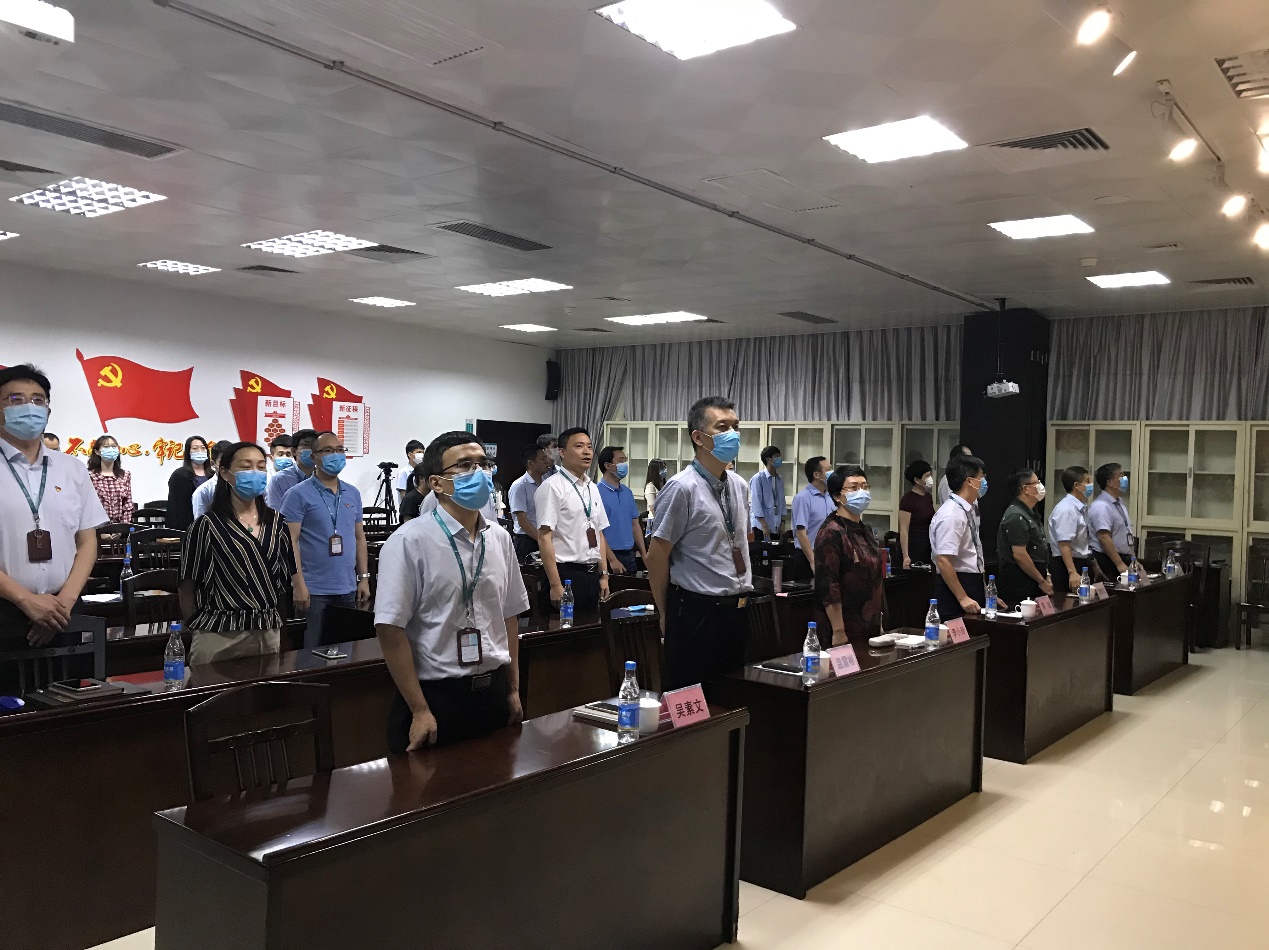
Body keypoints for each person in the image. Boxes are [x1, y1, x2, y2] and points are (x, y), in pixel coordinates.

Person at [374, 430, 527, 752]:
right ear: (436, 483)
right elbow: (390, 629)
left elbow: (509, 616)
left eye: (483, 464)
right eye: (464, 465)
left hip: (493, 691)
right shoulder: (409, 541)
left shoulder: (499, 538)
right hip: (435, 696)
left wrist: (513, 689)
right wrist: (419, 709)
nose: (479, 473)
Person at [646, 395, 752, 691]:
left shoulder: (739, 485)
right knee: (690, 699)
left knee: (731, 697)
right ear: (698, 437)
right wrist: (665, 613)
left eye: (736, 427)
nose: (733, 434)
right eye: (722, 427)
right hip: (696, 610)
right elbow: (656, 556)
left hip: (737, 608)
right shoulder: (681, 488)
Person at [0, 364, 106, 647]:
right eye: (16, 399)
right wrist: (26, 601)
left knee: (70, 677)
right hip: (5, 610)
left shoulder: (72, 468)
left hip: (65, 612)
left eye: (38, 400)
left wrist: (63, 604)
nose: (29, 407)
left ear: (48, 410)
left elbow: (87, 542)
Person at [178, 442, 296, 665]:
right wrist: (195, 624)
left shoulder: (277, 522)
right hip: (218, 632)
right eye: (246, 467)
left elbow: (283, 580)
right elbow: (187, 584)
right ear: (225, 473)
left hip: (267, 629)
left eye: (260, 467)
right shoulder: (206, 525)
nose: (255, 473)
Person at [280, 431, 370, 650]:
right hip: (313, 591)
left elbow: (359, 537)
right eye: (328, 450)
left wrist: (364, 578)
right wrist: (298, 585)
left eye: (339, 450)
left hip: (347, 588)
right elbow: (290, 542)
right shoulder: (297, 494)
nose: (335, 455)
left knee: (345, 651)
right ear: (314, 457)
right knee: (312, 654)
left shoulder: (352, 493)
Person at [535, 427, 611, 613]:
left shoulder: (592, 487)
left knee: (592, 628)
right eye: (579, 446)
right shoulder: (552, 487)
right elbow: (544, 537)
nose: (587, 452)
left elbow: (599, 533)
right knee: (563, 629)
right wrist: (555, 584)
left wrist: (604, 575)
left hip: (592, 575)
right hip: (565, 574)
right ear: (562, 452)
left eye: (589, 447)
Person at [814, 465, 885, 647]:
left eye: (865, 486)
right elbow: (829, 585)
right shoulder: (831, 532)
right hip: (843, 626)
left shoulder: (865, 530)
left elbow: (875, 577)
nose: (862, 492)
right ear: (837, 496)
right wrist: (838, 631)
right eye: (854, 487)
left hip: (868, 622)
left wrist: (879, 621)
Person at [931, 454, 1001, 620]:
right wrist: (962, 597)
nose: (984, 482)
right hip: (956, 589)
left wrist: (986, 594)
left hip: (971, 583)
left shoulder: (966, 510)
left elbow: (973, 555)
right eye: (981, 477)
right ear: (970, 481)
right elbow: (943, 560)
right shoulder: (951, 514)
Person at [996, 469, 1053, 606]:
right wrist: (1041, 581)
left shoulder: (1030, 512)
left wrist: (1046, 574)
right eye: (1037, 483)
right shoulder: (1016, 515)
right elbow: (1020, 554)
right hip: (1020, 580)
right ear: (1026, 489)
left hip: (1034, 575)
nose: (1041, 486)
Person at [597, 445, 647, 575]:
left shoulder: (627, 492)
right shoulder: (596, 492)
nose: (624, 464)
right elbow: (597, 530)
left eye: (625, 460)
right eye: (621, 461)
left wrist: (644, 554)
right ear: (608, 465)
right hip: (608, 556)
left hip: (630, 554)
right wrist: (612, 559)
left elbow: (635, 525)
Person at [1049, 466, 1097, 595]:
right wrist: (1072, 572)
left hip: (1081, 562)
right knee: (1070, 603)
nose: (1090, 485)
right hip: (1068, 566)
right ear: (1077, 485)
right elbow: (1064, 544)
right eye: (1087, 481)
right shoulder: (1067, 509)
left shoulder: (1080, 507)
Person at [1088, 462, 1134, 580]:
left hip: (1123, 558)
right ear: (1109, 482)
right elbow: (1104, 537)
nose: (1125, 479)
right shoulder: (1101, 506)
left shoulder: (1119, 503)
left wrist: (1133, 560)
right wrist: (1119, 563)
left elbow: (1125, 534)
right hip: (1108, 561)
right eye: (1120, 476)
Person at [792, 457, 834, 574]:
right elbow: (801, 533)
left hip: (828, 554)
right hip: (807, 557)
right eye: (828, 470)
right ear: (817, 475)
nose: (832, 473)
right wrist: (812, 561)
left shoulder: (831, 497)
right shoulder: (803, 498)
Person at [509, 443, 550, 563]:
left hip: (545, 538)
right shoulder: (520, 486)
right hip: (527, 540)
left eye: (546, 458)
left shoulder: (547, 484)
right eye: (542, 459)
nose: (547, 461)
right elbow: (523, 521)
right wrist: (541, 539)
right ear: (531, 463)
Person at [165, 435, 211, 529]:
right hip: (187, 525)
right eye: (195, 448)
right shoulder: (179, 475)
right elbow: (174, 507)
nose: (200, 451)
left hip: (210, 524)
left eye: (203, 448)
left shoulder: (213, 475)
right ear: (188, 452)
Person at [86, 434, 135, 525]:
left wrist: (122, 528)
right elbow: (87, 506)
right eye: (106, 447)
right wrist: (97, 528)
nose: (111, 449)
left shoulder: (125, 475)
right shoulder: (89, 475)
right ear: (97, 452)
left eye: (114, 446)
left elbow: (128, 505)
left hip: (119, 527)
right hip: (96, 527)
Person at [265, 428, 317, 511]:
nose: (311, 449)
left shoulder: (326, 478)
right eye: (306, 445)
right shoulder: (279, 479)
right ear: (294, 451)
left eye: (315, 445)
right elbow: (275, 512)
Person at [897, 459, 935, 568]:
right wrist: (906, 556)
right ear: (917, 480)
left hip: (928, 544)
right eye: (926, 476)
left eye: (930, 475)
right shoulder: (907, 500)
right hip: (914, 546)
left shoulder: (928, 497)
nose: (930, 478)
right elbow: (904, 529)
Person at [749, 445, 785, 542]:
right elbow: (756, 504)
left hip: (776, 525)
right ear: (768, 459)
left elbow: (782, 502)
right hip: (761, 527)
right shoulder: (758, 479)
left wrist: (782, 522)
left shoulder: (779, 479)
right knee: (762, 549)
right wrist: (764, 525)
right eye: (776, 456)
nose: (779, 459)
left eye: (779, 456)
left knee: (775, 550)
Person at [191, 440, 233, 521]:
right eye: (223, 462)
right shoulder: (203, 492)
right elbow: (200, 523)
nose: (228, 465)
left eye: (231, 461)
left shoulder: (243, 487)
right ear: (213, 464)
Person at [644, 458, 666, 526]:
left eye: (665, 467)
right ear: (655, 471)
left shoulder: (664, 484)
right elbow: (652, 508)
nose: (665, 470)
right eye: (662, 468)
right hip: (655, 520)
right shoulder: (650, 486)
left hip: (664, 518)